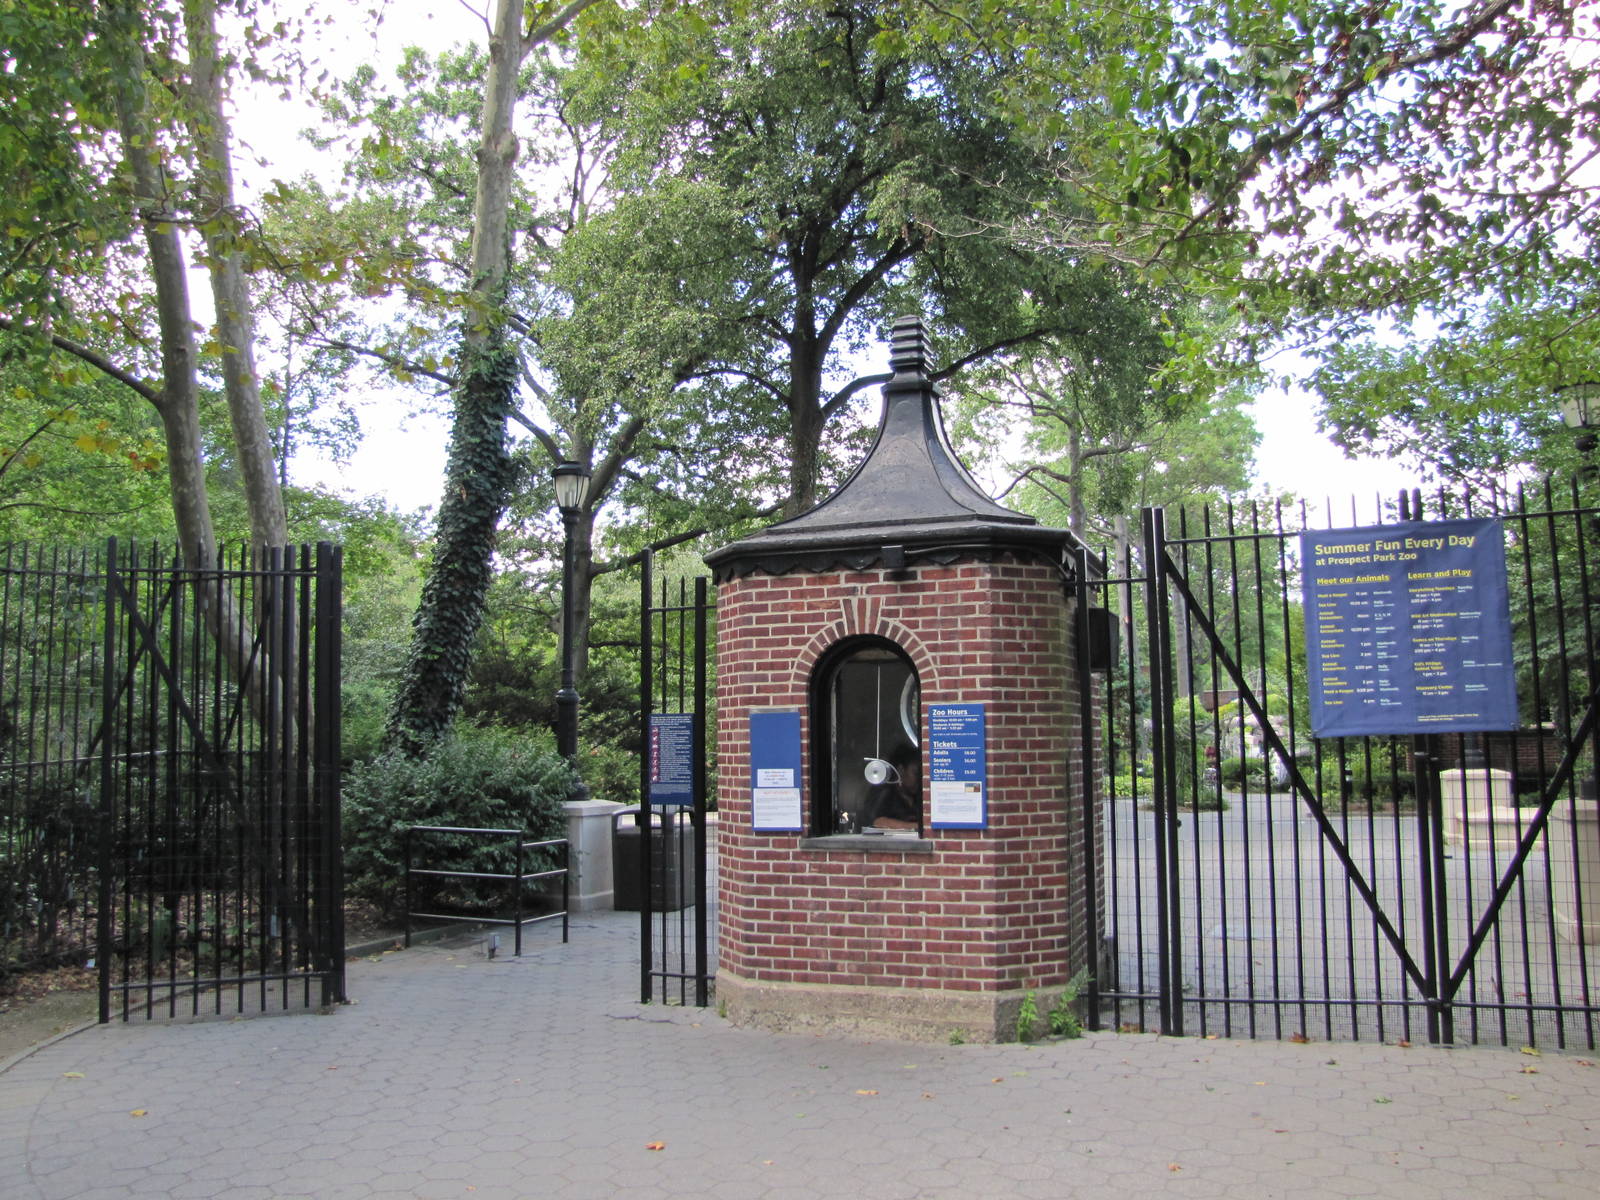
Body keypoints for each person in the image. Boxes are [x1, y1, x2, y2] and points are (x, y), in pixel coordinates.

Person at [860, 746, 921, 831]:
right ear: (901, 770)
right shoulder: (886, 794)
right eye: (915, 773)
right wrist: (916, 826)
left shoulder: (918, 798)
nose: (919, 779)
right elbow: (878, 822)